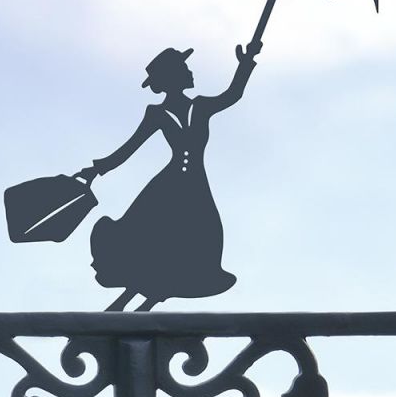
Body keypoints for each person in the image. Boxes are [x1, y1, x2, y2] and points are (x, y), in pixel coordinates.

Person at [78, 40, 262, 311]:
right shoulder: (157, 114)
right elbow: (130, 148)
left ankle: (146, 304)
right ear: (173, 76)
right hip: (167, 189)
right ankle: (124, 304)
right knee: (151, 245)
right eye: (184, 68)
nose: (190, 72)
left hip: (195, 188)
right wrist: (97, 169)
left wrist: (246, 63)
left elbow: (232, 95)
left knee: (191, 245)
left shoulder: (201, 107)